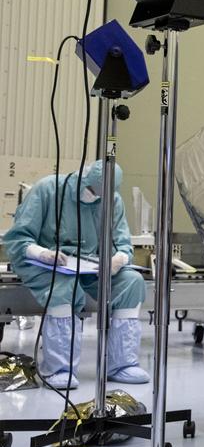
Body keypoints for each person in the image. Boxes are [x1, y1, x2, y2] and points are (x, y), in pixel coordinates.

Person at [3, 161, 149, 389]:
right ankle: (58, 369)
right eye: (92, 191)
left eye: (101, 195)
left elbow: (122, 243)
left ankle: (122, 365)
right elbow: (18, 239)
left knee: (132, 282)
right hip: (44, 263)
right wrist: (42, 253)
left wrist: (119, 259)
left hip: (89, 264)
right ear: (82, 178)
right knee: (64, 285)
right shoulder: (48, 190)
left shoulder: (111, 200)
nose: (95, 197)